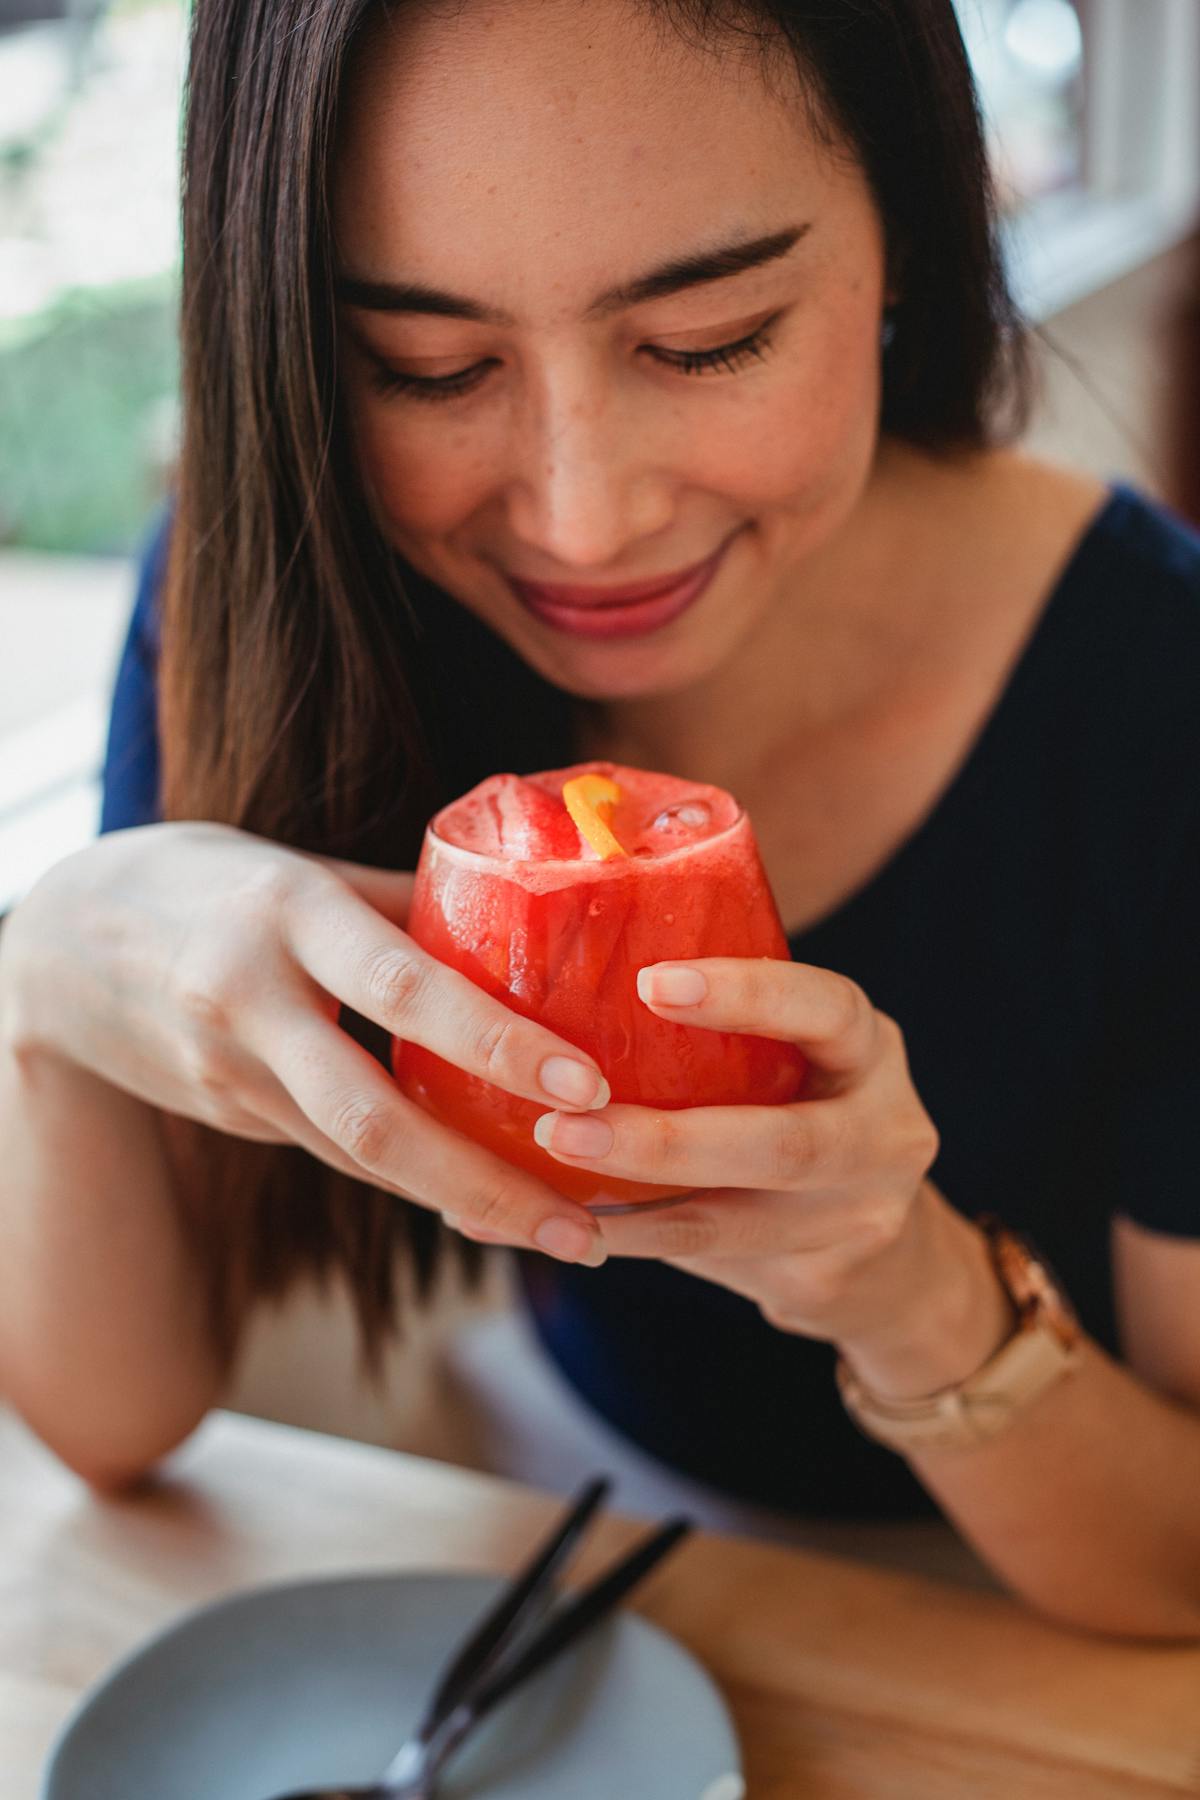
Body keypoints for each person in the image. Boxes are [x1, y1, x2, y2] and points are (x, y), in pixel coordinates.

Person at [3, 0, 1199, 1641]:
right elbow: (108, 1420)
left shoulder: (1156, 700)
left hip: (1047, 1616)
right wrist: (48, 988)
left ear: (913, 230)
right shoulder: (279, 594)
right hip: (572, 1536)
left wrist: (911, 1292)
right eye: (426, 366)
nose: (586, 518)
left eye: (707, 337)